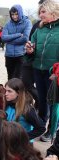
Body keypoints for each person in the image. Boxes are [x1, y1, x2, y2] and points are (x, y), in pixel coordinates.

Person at [25, 0, 59, 142]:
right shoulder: (39, 29)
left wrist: (56, 72)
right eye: (40, 12)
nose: (40, 14)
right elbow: (31, 51)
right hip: (38, 70)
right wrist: (30, 51)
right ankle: (40, 126)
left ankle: (51, 130)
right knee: (42, 100)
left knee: (54, 102)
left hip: (54, 73)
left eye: (43, 11)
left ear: (53, 12)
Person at [2, 4, 32, 80]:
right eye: (12, 14)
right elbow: (3, 38)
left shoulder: (27, 22)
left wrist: (10, 40)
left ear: (20, 13)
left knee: (18, 79)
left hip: (21, 55)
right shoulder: (7, 24)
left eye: (16, 14)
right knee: (10, 78)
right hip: (9, 55)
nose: (14, 16)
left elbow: (25, 38)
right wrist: (18, 35)